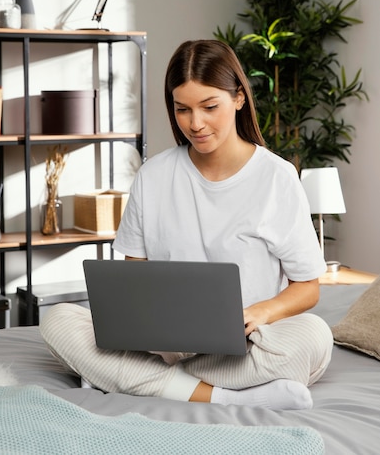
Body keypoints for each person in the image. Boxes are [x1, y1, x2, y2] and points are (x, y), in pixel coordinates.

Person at [40, 39, 333, 410]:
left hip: (245, 344)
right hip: (164, 344)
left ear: (239, 98)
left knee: (314, 337)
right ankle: (220, 397)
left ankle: (135, 379)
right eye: (183, 110)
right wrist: (143, 326)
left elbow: (307, 287)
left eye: (210, 107)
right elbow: (136, 279)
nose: (196, 123)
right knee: (59, 321)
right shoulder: (154, 175)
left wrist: (260, 313)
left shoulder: (277, 177)